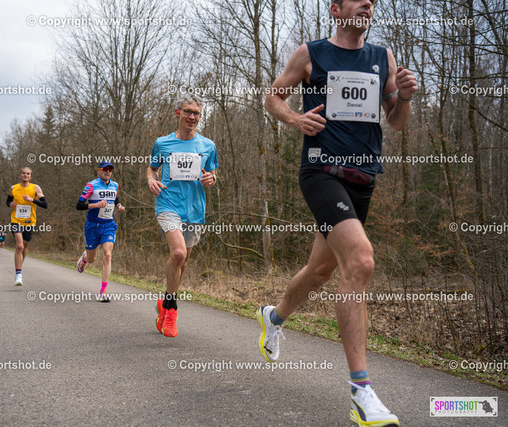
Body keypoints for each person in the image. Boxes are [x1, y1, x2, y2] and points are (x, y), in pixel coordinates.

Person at [257, 1, 417, 425]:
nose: (367, 5)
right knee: (360, 261)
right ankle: (361, 392)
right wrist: (296, 119)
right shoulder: (310, 54)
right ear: (335, 8)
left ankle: (273, 317)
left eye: (372, 2)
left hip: (363, 178)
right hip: (321, 172)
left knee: (321, 270)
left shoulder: (382, 57)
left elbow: (396, 122)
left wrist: (403, 97)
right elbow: (272, 97)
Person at [146, 94, 218, 337]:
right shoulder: (163, 143)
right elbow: (152, 168)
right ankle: (171, 309)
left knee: (183, 263)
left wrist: (211, 179)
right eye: (187, 111)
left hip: (194, 209)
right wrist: (151, 180)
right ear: (178, 113)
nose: (192, 117)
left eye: (196, 113)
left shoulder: (207, 145)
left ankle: (165, 300)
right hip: (167, 203)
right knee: (177, 254)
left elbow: (213, 174)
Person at [75, 161, 126, 302]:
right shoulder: (91, 185)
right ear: (99, 171)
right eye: (105, 169)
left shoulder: (115, 185)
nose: (108, 171)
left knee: (107, 254)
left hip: (108, 225)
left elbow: (116, 199)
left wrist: (119, 206)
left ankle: (103, 291)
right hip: (92, 226)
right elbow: (79, 205)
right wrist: (96, 205)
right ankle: (85, 258)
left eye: (110, 169)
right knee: (92, 259)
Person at [6, 167, 47, 286]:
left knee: (24, 247)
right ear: (20, 175)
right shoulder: (13, 188)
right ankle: (18, 274)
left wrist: (32, 200)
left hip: (29, 222)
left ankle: (19, 267)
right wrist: (10, 204)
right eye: (23, 173)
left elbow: (45, 205)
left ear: (31, 176)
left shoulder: (35, 188)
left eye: (28, 174)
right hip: (16, 220)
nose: (25, 175)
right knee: (19, 246)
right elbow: (8, 202)